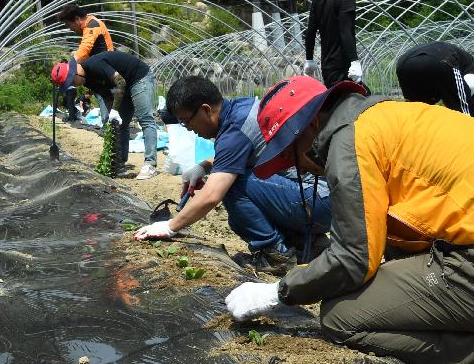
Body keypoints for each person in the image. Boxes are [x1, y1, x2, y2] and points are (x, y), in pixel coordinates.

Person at [225, 75, 474, 364]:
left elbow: (354, 258)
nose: (300, 167)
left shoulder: (349, 142)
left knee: (342, 316)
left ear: (311, 127)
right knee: (379, 286)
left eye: (291, 155)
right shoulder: (384, 118)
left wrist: (278, 292)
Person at [133, 76, 332, 273]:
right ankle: (307, 244)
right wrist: (204, 166)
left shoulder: (233, 131)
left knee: (233, 185)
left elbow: (212, 196)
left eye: (186, 122)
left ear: (205, 110)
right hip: (324, 198)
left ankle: (276, 255)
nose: (190, 130)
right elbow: (240, 151)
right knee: (235, 187)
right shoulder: (240, 108)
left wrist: (170, 226)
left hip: (317, 201)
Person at [51, 52, 158, 180]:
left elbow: (120, 82)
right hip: (124, 84)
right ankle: (119, 165)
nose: (75, 85)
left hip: (138, 77)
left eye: (72, 81)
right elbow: (106, 95)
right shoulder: (87, 80)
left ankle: (150, 164)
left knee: (145, 119)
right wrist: (112, 112)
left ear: (75, 73)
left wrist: (114, 110)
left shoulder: (95, 65)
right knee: (120, 123)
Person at [303, 0, 370, 88]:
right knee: (356, 101)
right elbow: (346, 32)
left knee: (332, 100)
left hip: (327, 64)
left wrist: (309, 58)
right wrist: (354, 61)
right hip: (343, 64)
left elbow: (310, 31)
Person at [396, 41, 474, 118]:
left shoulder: (461, 58)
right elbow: (469, 88)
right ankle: (468, 133)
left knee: (416, 110)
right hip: (439, 61)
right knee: (464, 113)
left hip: (402, 63)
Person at [57, 4, 114, 122]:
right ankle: (110, 128)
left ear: (77, 19)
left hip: (109, 72)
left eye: (69, 25)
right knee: (105, 101)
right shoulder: (89, 25)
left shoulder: (92, 25)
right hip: (103, 73)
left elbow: (85, 49)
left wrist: (70, 66)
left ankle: (111, 128)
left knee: (107, 106)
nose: (70, 29)